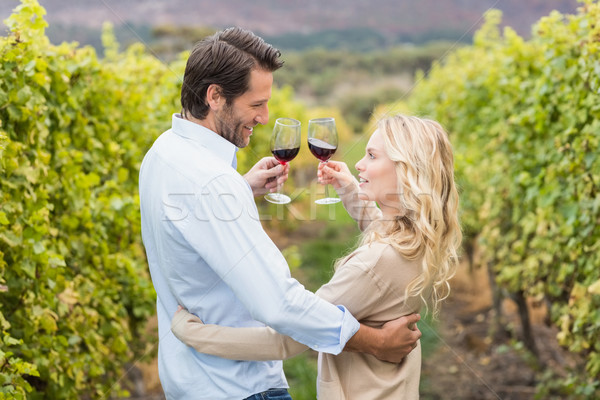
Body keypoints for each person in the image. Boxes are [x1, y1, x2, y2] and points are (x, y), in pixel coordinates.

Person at [139, 27, 421, 400]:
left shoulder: (163, 152)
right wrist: (374, 341)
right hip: (238, 387)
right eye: (256, 105)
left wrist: (240, 188)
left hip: (188, 378)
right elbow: (280, 304)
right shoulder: (212, 183)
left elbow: (188, 222)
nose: (265, 116)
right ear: (215, 97)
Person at [171, 113, 462, 399]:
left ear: (405, 170)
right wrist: (349, 188)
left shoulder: (374, 263)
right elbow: (383, 229)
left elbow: (289, 337)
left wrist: (194, 334)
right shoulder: (419, 240)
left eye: (372, 156)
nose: (359, 164)